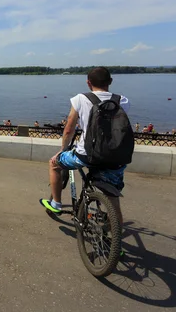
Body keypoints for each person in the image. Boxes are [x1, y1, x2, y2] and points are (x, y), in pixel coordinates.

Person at [40, 67, 130, 241]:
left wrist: (63, 150)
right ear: (110, 82)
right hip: (115, 158)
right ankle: (115, 243)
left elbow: (68, 129)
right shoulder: (123, 100)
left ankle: (56, 203)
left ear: (88, 83)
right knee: (113, 202)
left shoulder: (80, 99)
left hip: (86, 154)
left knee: (54, 164)